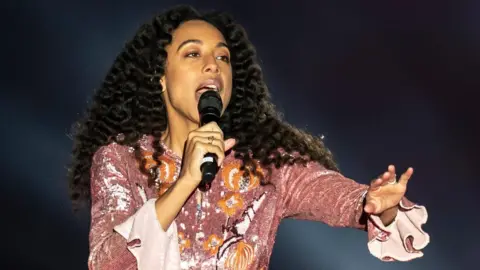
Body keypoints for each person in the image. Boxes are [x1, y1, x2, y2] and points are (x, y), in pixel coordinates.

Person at [68, 5, 430, 270]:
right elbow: (106, 262)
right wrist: (185, 182)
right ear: (160, 78)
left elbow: (338, 196)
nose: (213, 65)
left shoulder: (267, 165)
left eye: (223, 58)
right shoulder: (121, 160)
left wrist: (377, 203)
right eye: (192, 53)